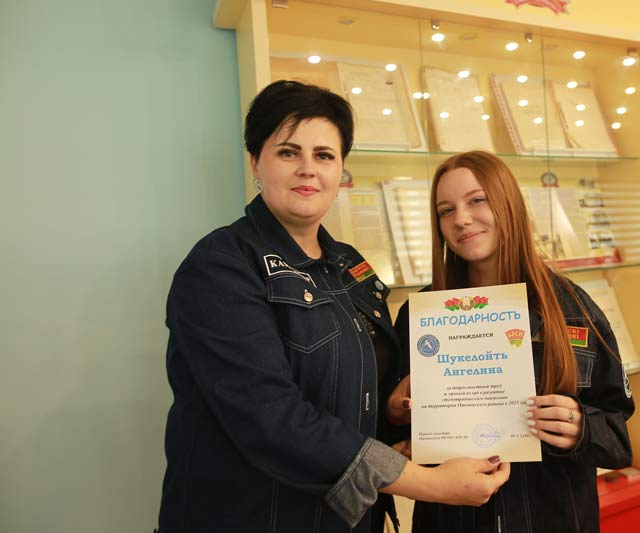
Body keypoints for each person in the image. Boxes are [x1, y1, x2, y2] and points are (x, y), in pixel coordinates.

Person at [156, 82, 510, 533]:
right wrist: (428, 483)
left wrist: (394, 410)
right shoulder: (220, 266)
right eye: (288, 152)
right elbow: (270, 417)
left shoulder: (349, 265)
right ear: (256, 163)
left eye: (324, 155)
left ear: (341, 170)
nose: (308, 169)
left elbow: (354, 393)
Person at [390, 151, 635, 532]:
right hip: (451, 522)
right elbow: (390, 439)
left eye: (477, 200)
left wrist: (580, 426)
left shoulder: (573, 310)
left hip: (553, 520)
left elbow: (619, 438)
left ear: (508, 203)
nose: (461, 219)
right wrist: (395, 413)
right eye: (446, 210)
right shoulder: (420, 317)